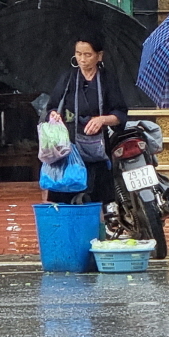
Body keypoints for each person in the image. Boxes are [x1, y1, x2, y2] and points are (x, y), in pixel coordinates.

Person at [45, 32, 129, 207]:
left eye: (88, 55)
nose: (82, 59)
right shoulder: (68, 78)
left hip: (96, 148)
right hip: (69, 147)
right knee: (66, 199)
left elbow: (120, 114)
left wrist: (103, 120)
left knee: (97, 201)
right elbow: (52, 107)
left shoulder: (107, 79)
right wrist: (54, 114)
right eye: (78, 54)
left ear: (99, 56)